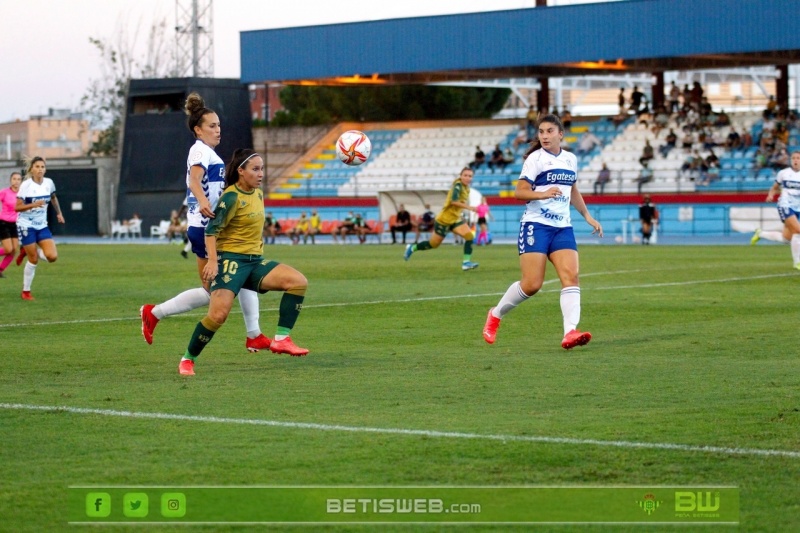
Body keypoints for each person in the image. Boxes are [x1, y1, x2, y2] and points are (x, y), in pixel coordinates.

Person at [140, 92, 270, 353]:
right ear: (198, 130)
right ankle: (253, 334)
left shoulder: (208, 152)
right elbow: (194, 180)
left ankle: (154, 313)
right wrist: (202, 201)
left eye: (219, 125)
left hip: (204, 227)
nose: (218, 129)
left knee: (215, 288)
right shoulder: (199, 149)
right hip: (205, 227)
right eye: (212, 125)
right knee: (240, 273)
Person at [178, 149, 309, 376]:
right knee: (218, 316)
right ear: (241, 171)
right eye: (255, 169)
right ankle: (188, 359)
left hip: (254, 262)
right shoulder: (231, 197)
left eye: (262, 169)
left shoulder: (257, 194)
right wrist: (212, 261)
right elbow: (211, 231)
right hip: (231, 262)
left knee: (297, 282)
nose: (261, 174)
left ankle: (281, 338)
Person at [482, 114, 603, 350]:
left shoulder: (570, 159)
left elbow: (573, 190)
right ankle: (495, 315)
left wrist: (587, 216)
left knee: (571, 276)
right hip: (535, 225)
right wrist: (542, 194)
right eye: (541, 132)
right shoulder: (535, 160)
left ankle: (570, 332)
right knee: (532, 284)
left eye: (549, 131)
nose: (544, 136)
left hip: (562, 228)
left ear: (561, 134)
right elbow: (520, 191)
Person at [403, 168, 479, 271]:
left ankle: (466, 263)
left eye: (470, 176)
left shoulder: (467, 188)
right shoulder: (457, 186)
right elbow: (453, 201)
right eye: (465, 175)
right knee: (433, 244)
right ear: (460, 176)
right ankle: (412, 248)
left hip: (455, 219)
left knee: (469, 236)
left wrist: (460, 214)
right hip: (444, 220)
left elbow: (457, 206)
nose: (467, 178)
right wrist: (469, 208)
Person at [14, 157, 65, 300]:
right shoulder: (26, 185)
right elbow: (17, 207)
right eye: (37, 166)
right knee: (34, 260)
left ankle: (28, 250)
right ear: (31, 169)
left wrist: (59, 213)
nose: (40, 169)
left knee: (52, 257)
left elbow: (53, 197)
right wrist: (32, 205)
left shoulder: (49, 183)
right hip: (26, 225)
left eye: (42, 166)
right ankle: (26, 291)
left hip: (42, 225)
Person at [751, 152, 800, 269]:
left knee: (787, 238)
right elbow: (774, 187)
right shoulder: (783, 173)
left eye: (798, 158)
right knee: (798, 231)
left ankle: (760, 233)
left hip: (798, 208)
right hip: (785, 205)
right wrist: (771, 195)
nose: (795, 160)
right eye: (793, 158)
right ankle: (797, 262)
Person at [0, 171, 23, 278]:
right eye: (14, 179)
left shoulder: (23, 195)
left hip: (16, 224)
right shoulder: (4, 192)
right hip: (3, 223)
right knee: (8, 249)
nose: (16, 181)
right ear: (10, 180)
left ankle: (0, 270)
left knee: (14, 250)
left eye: (18, 179)